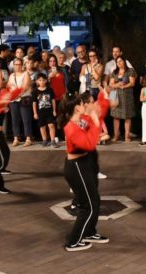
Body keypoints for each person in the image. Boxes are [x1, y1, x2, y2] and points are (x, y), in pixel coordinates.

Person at [59, 92, 109, 252]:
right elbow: (88, 144)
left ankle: (89, 231)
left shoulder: (78, 121)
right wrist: (95, 122)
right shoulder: (70, 127)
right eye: (82, 103)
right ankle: (72, 241)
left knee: (94, 201)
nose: (85, 105)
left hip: (83, 163)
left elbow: (89, 135)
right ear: (76, 107)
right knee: (89, 206)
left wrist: (96, 121)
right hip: (76, 167)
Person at [109, 56, 137, 143]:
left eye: (120, 61)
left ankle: (127, 135)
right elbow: (111, 84)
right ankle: (116, 135)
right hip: (116, 97)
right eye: (117, 62)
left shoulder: (130, 71)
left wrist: (124, 86)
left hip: (127, 96)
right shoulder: (115, 72)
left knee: (127, 116)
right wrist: (118, 85)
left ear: (124, 61)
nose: (119, 63)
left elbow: (132, 83)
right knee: (116, 116)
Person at [32, 73, 59, 147]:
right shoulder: (35, 91)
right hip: (40, 112)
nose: (41, 82)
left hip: (49, 111)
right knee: (42, 126)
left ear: (46, 81)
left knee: (51, 125)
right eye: (40, 80)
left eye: (43, 80)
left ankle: (53, 140)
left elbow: (53, 100)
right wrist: (35, 113)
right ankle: (44, 140)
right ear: (37, 81)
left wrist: (54, 110)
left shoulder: (50, 90)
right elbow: (34, 103)